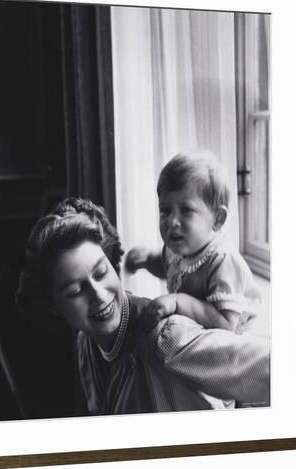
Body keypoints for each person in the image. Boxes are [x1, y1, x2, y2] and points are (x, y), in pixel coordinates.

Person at [17, 197, 269, 415]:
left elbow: (276, 366)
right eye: (75, 291)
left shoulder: (167, 338)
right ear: (54, 305)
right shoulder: (87, 344)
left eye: (101, 272)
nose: (98, 294)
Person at [126, 150, 261, 333]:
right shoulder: (179, 246)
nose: (173, 221)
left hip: (234, 344)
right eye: (166, 210)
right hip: (199, 331)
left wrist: (178, 302)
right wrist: (147, 260)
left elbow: (226, 323)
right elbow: (168, 268)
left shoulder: (222, 260)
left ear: (217, 219)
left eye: (186, 210)